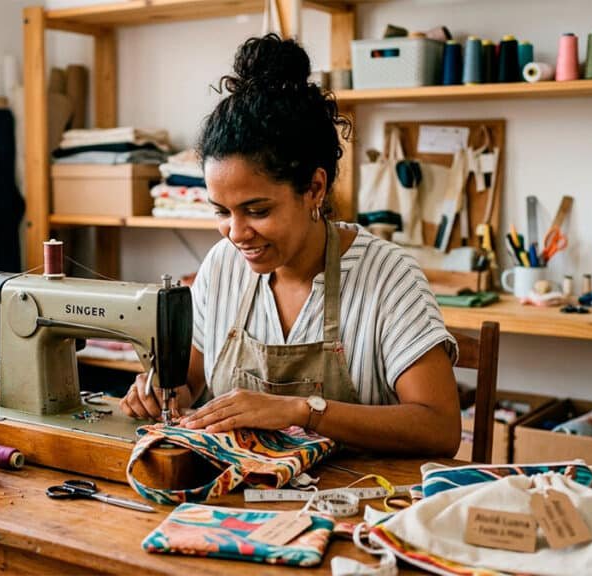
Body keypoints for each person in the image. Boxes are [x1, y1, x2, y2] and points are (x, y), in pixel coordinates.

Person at [120, 34, 460, 455]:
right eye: (222, 212)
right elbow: (189, 384)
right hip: (243, 499)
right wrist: (162, 394)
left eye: (257, 211)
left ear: (315, 188)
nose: (236, 233)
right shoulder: (223, 266)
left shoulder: (388, 276)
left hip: (359, 501)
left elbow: (440, 428)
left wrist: (302, 410)